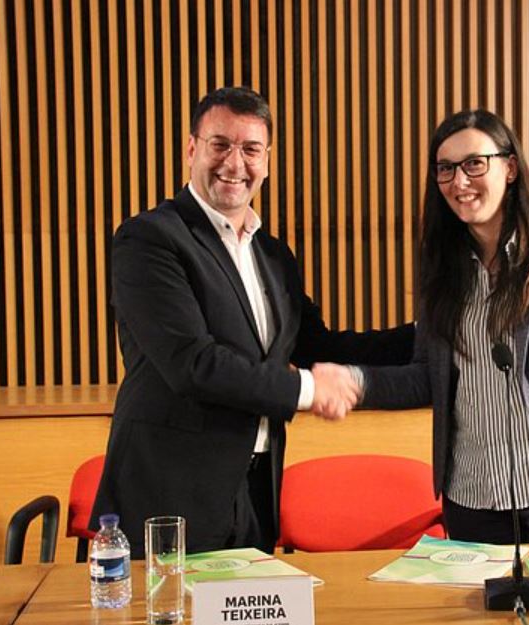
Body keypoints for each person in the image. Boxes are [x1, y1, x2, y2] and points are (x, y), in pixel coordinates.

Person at [91, 86, 414, 557]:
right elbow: (192, 363)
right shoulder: (150, 239)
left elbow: (316, 344)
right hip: (170, 490)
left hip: (257, 488)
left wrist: (433, 335)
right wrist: (308, 390)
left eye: (250, 149)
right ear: (191, 149)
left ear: (267, 159)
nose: (234, 163)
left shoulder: (273, 255)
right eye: (220, 144)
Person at [351, 109, 529, 544]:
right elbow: (426, 376)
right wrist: (353, 383)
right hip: (471, 500)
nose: (459, 182)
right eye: (445, 169)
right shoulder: (441, 269)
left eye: (474, 164)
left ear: (510, 168)